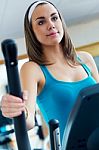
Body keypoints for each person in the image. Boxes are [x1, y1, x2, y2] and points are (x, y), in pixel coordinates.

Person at [1, 0, 99, 144]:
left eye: (54, 18)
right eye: (41, 22)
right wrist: (16, 110)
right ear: (32, 32)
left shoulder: (85, 59)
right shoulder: (33, 69)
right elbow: (28, 121)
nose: (51, 24)